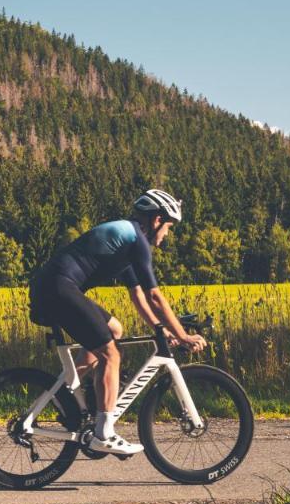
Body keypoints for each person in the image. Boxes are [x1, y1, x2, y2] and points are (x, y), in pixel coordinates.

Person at [28, 189, 206, 456]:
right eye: (169, 227)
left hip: (54, 287)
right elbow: (154, 296)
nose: (168, 235)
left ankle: (66, 395)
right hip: (58, 288)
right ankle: (104, 433)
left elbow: (138, 297)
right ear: (157, 220)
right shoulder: (135, 240)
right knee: (111, 353)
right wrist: (182, 336)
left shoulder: (125, 242)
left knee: (114, 329)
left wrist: (162, 330)